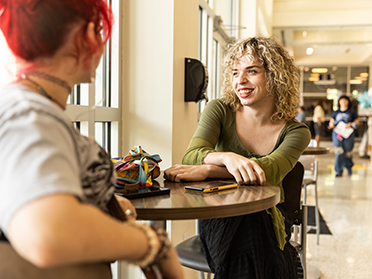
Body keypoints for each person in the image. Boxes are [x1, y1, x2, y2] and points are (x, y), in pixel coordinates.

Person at [0, 1, 184, 278]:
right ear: (87, 36)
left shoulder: (30, 109)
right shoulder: (30, 114)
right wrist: (153, 245)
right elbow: (47, 230)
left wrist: (98, 206)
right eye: (100, 31)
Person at [165, 36, 311, 279]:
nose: (240, 81)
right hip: (219, 215)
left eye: (251, 71)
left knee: (252, 221)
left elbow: (269, 171)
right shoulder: (220, 110)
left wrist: (209, 169)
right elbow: (191, 156)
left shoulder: (297, 132)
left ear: (276, 76)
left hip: (271, 215)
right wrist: (228, 158)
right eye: (235, 72)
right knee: (250, 233)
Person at [329, 95, 359, 177]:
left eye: (345, 100)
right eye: (342, 100)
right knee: (339, 152)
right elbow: (331, 122)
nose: (343, 102)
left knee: (348, 152)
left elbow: (357, 122)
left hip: (348, 134)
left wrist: (351, 124)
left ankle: (349, 167)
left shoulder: (352, 112)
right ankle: (338, 170)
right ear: (339, 102)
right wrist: (333, 124)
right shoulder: (335, 112)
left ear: (348, 102)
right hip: (338, 134)